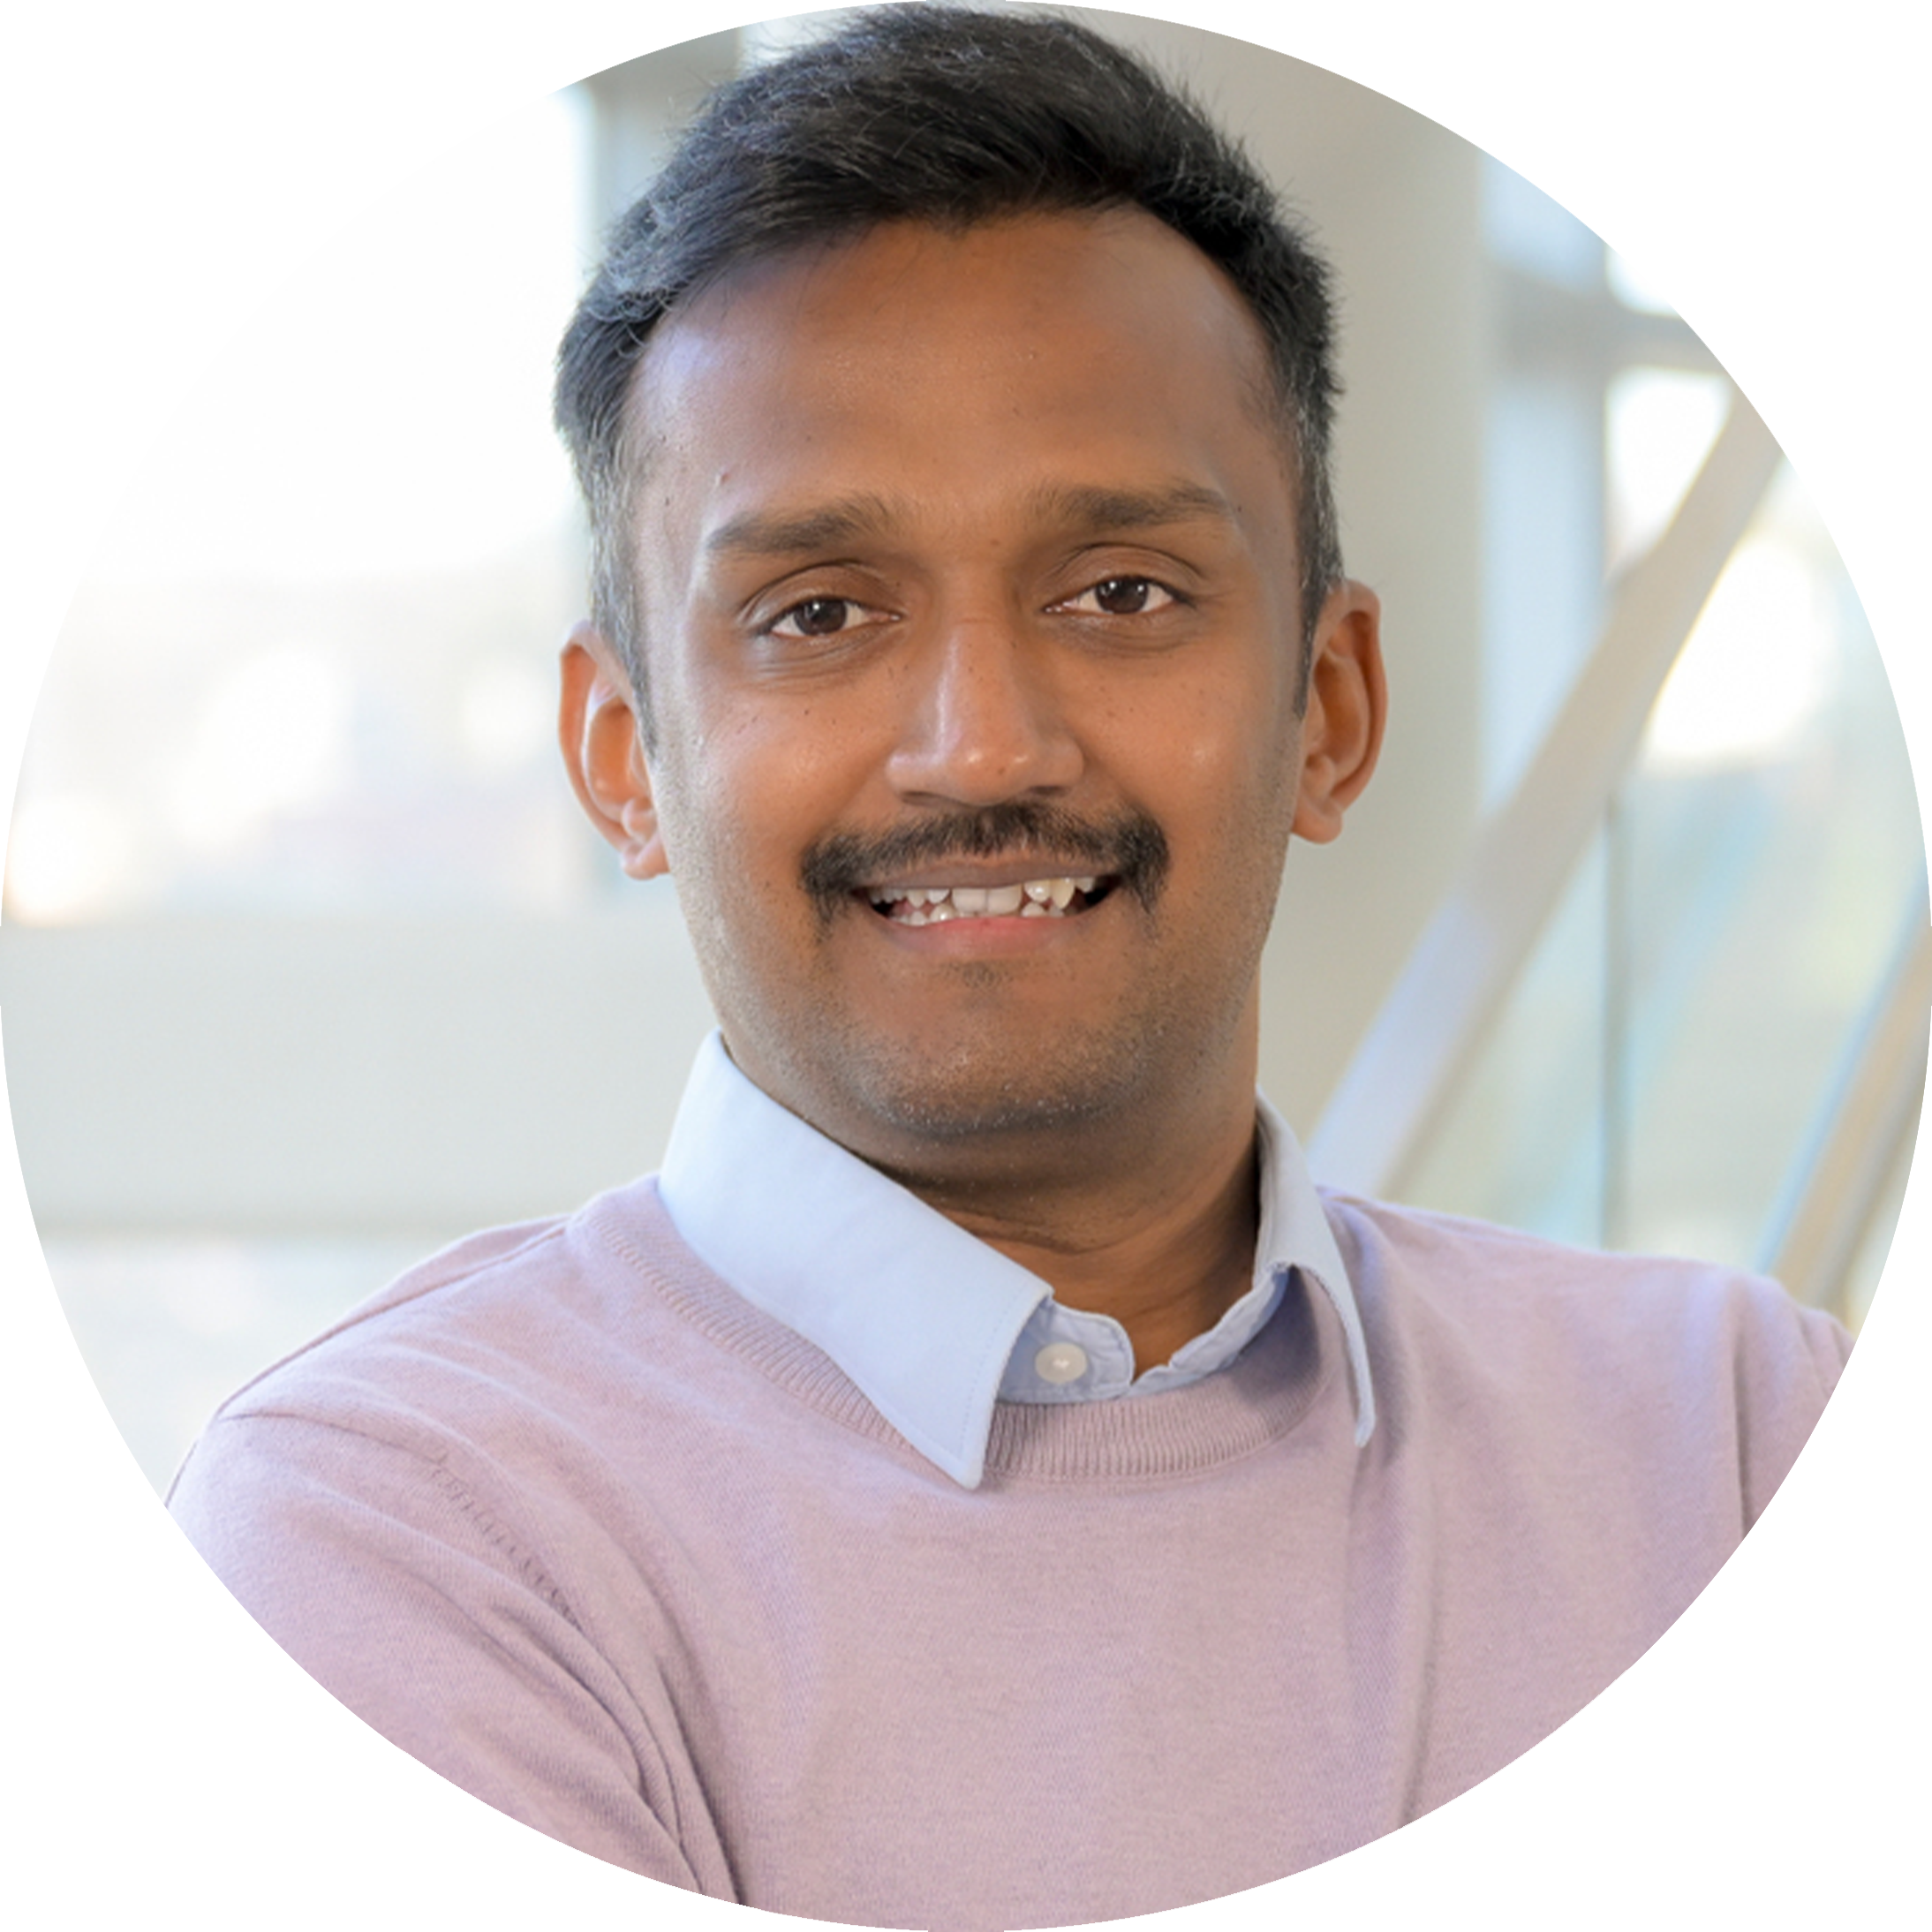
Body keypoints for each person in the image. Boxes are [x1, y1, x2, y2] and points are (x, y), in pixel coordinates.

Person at [167, 7, 1875, 1918]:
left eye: (1119, 592)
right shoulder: (399, 1521)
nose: (981, 746)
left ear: (1325, 706)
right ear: (619, 754)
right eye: (818, 612)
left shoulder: (1726, 1435)